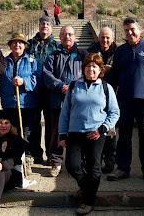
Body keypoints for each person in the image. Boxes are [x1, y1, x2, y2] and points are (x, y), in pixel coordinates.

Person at [59, 53, 119, 215]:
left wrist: (102, 129)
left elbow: (114, 113)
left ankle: (88, 202)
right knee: (72, 165)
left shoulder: (106, 87)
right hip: (75, 133)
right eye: (88, 66)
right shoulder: (73, 86)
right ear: (83, 68)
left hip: (96, 134)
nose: (91, 69)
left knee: (94, 167)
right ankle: (87, 189)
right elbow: (65, 112)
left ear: (100, 69)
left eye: (94, 66)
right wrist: (62, 134)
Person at [107, 17, 144, 184]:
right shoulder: (120, 51)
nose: (129, 32)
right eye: (126, 30)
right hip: (123, 100)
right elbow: (114, 77)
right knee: (124, 135)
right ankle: (122, 168)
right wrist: (110, 99)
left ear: (140, 29)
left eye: (132, 29)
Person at [43, 25, 88, 176]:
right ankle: (56, 162)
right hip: (58, 100)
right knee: (57, 132)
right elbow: (47, 74)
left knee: (78, 132)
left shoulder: (83, 54)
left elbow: (90, 73)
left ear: (74, 36)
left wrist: (74, 87)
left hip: (78, 101)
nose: (67, 37)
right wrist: (61, 86)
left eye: (70, 34)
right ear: (60, 37)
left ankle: (78, 162)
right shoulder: (53, 55)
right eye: (64, 34)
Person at [0, 31, 42, 172]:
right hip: (9, 103)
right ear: (10, 45)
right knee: (12, 132)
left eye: (20, 43)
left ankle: (27, 158)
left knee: (27, 132)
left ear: (24, 46)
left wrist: (24, 81)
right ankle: (13, 159)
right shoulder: (4, 61)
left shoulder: (32, 61)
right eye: (14, 42)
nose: (17, 45)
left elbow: (38, 80)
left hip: (27, 103)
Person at [26, 16, 58, 164]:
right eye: (42, 23)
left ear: (51, 27)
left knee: (51, 124)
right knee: (34, 124)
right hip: (33, 90)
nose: (44, 26)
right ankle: (36, 154)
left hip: (50, 90)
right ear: (38, 27)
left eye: (47, 24)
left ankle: (51, 154)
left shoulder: (56, 46)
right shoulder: (30, 45)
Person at [87, 27, 118, 174]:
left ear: (112, 39)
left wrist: (113, 70)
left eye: (107, 38)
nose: (105, 40)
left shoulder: (118, 52)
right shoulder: (91, 51)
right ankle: (95, 161)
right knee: (94, 129)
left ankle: (110, 161)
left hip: (112, 94)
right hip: (95, 95)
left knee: (110, 131)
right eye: (102, 37)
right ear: (98, 38)